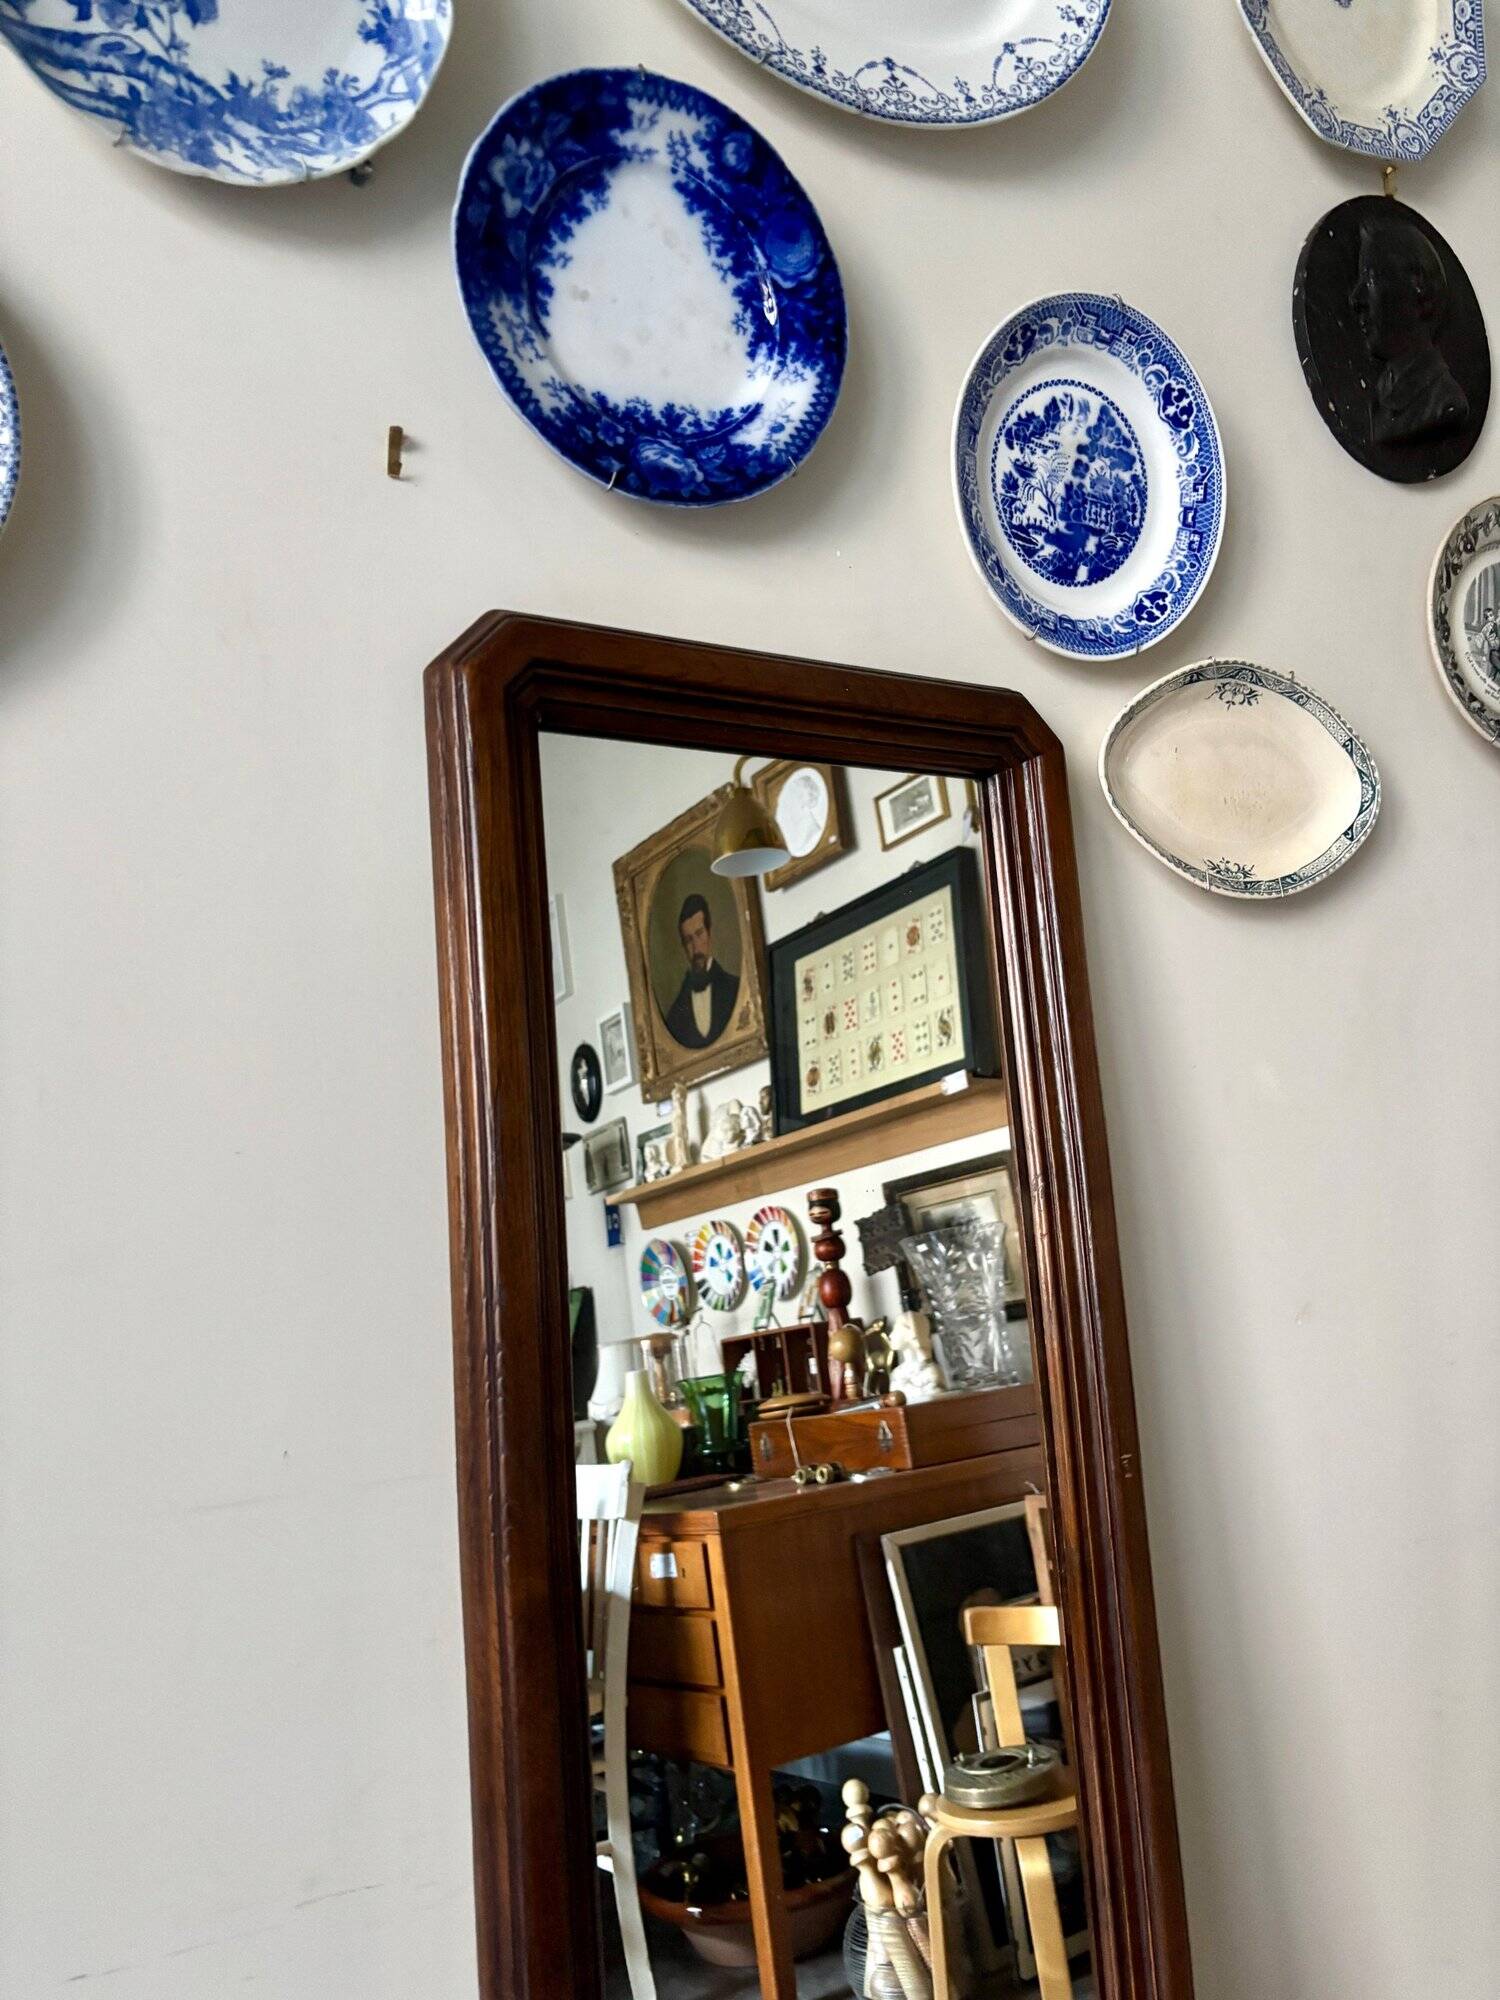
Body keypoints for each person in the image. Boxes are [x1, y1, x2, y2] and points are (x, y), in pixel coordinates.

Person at [1349, 214, 1469, 447]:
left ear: (1418, 285)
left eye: (1370, 278)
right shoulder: (1382, 393)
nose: (1356, 299)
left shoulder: (1444, 403)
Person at [662, 892, 739, 1049]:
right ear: (683, 946)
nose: (696, 947)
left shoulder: (736, 989)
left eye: (699, 934)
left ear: (709, 933)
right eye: (689, 940)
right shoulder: (675, 1015)